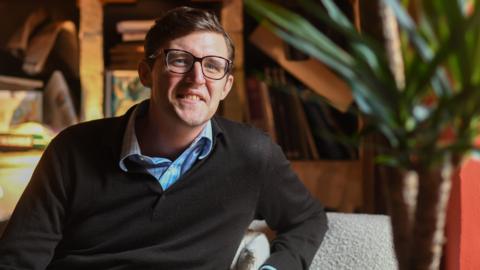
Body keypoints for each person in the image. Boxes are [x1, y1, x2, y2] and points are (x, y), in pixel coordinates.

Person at [0, 6, 328, 270]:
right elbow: (19, 258)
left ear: (226, 85)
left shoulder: (253, 156)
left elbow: (307, 220)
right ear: (146, 73)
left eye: (213, 66)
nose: (197, 78)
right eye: (180, 60)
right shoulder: (72, 149)